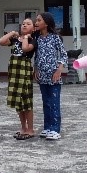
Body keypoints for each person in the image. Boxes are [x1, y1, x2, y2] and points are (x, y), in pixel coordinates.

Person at [22, 12, 67, 140]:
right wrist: (35, 69)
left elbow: (63, 55)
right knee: (46, 102)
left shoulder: (55, 38)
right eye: (36, 20)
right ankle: (47, 127)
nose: (36, 23)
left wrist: (59, 70)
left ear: (46, 23)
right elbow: (37, 56)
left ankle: (55, 129)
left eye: (39, 20)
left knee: (54, 102)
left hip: (53, 75)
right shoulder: (38, 39)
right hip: (42, 76)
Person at [0, 17, 35, 139]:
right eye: (23, 24)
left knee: (26, 101)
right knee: (18, 101)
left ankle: (30, 129)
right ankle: (23, 127)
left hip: (24, 71)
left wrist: (25, 37)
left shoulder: (33, 40)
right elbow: (1, 41)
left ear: (33, 28)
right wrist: (12, 33)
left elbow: (25, 48)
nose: (24, 25)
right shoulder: (15, 40)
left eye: (28, 24)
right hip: (14, 72)